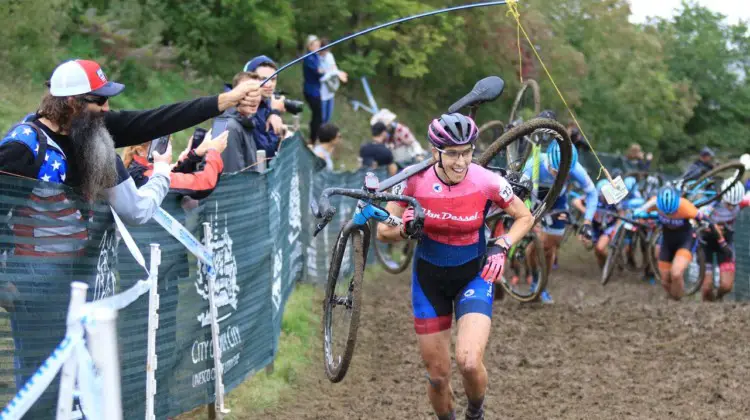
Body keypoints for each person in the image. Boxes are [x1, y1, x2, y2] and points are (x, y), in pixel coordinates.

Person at [376, 113, 534, 420]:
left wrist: (502, 245)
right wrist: (406, 230)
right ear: (435, 152)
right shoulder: (412, 178)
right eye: (452, 154)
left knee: (469, 361)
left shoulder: (487, 180)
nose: (460, 162)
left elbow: (524, 216)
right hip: (429, 282)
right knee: (438, 376)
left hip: (473, 275)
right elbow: (383, 232)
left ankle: (476, 412)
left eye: (467, 152)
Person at [522, 136, 598, 303]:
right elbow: (520, 196)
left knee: (549, 247)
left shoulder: (576, 168)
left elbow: (592, 193)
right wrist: (527, 216)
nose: (561, 176)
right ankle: (534, 277)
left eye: (565, 174)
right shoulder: (533, 164)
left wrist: (587, 222)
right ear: (549, 162)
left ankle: (542, 284)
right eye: (557, 172)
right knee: (534, 248)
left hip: (557, 200)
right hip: (533, 198)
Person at [635, 185, 708, 300]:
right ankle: (673, 299)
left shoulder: (685, 206)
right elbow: (640, 214)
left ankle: (679, 302)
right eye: (666, 213)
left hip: (685, 240)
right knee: (665, 280)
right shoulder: (653, 203)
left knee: (676, 273)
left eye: (673, 212)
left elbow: (705, 219)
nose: (670, 215)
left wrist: (706, 227)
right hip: (667, 241)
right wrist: (643, 219)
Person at [123, 130, 228, 200]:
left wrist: (195, 154)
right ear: (141, 151)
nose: (169, 150)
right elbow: (202, 184)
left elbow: (174, 175)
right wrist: (214, 152)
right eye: (163, 146)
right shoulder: (150, 175)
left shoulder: (135, 169)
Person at [698, 181, 749, 301]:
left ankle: (718, 298)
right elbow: (699, 217)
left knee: (726, 286)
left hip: (726, 243)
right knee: (706, 288)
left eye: (734, 204)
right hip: (707, 244)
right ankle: (706, 308)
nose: (731, 207)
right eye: (728, 204)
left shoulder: (741, 201)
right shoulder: (712, 203)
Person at [214, 71, 264, 172]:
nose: (254, 99)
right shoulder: (227, 126)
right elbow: (230, 178)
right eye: (248, 93)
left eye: (257, 93)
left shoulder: (246, 122)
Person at [243, 55, 286, 158]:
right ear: (249, 79)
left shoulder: (266, 104)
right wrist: (275, 112)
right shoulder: (239, 106)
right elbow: (264, 152)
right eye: (263, 79)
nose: (269, 84)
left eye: (273, 79)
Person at [318, 38, 348, 123]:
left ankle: (326, 134)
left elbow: (334, 69)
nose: (326, 52)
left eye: (327, 50)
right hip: (321, 93)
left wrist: (339, 73)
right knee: (322, 118)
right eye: (324, 50)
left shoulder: (329, 56)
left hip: (330, 91)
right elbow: (321, 78)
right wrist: (332, 73)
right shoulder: (316, 59)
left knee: (328, 117)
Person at [303, 35, 324, 143]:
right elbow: (319, 71)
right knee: (318, 116)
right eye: (315, 45)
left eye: (318, 45)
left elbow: (321, 70)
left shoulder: (316, 56)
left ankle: (314, 137)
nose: (318, 47)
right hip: (311, 91)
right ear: (310, 46)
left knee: (318, 116)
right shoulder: (309, 58)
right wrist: (325, 70)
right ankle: (312, 139)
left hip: (316, 90)